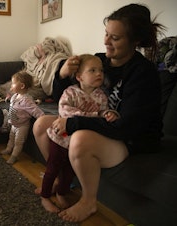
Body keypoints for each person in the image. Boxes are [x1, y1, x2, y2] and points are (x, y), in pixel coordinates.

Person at [32, 3, 165, 222]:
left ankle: (88, 201)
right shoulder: (98, 60)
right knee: (42, 125)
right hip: (100, 125)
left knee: (80, 139)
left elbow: (126, 127)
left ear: (135, 41)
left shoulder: (143, 73)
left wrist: (74, 123)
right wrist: (62, 74)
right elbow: (62, 97)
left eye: (115, 38)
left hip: (131, 139)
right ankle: (60, 177)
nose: (106, 42)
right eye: (106, 34)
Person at [40, 54, 120, 213]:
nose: (99, 74)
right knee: (52, 169)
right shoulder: (70, 92)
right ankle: (45, 197)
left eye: (101, 70)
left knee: (69, 173)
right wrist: (93, 115)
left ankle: (62, 193)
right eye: (92, 70)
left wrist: (109, 113)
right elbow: (64, 111)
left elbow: (102, 114)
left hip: (77, 144)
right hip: (60, 139)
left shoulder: (101, 96)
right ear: (79, 77)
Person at [0, 71, 45, 164]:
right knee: (11, 138)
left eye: (13, 83)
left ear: (22, 86)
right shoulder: (15, 96)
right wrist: (8, 98)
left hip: (22, 126)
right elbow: (13, 104)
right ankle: (8, 149)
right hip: (13, 124)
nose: (11, 85)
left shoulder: (26, 100)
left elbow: (36, 111)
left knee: (18, 142)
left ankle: (14, 156)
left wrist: (43, 119)